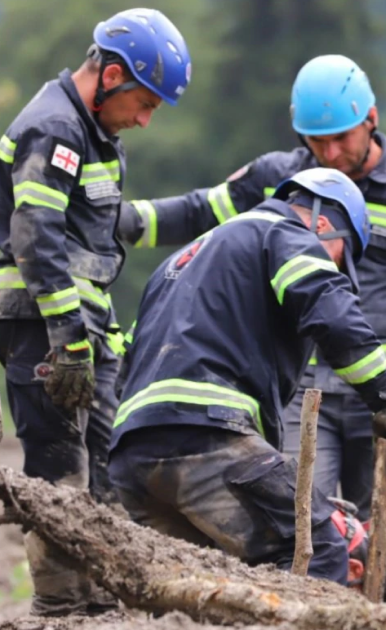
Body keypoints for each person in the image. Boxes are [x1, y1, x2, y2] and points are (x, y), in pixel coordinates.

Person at [116, 54, 386, 519]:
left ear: (371, 120)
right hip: (303, 390)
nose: (328, 155)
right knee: (301, 516)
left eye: (340, 139)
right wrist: (119, 220)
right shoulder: (279, 182)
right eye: (315, 141)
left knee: (384, 531)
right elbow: (202, 213)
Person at [107, 168, 386, 583]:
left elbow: (125, 362)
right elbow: (335, 316)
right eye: (342, 256)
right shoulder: (285, 234)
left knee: (202, 586)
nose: (336, 268)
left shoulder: (182, 259)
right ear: (323, 222)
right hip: (206, 436)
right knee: (319, 545)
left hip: (132, 455)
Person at [0, 9, 190, 615]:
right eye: (144, 101)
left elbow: (100, 235)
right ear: (109, 75)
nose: (145, 118)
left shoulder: (97, 134)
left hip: (83, 329)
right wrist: (68, 341)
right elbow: (35, 237)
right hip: (40, 326)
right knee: (58, 470)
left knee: (110, 466)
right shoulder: (54, 128)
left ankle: (101, 603)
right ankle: (59, 609)